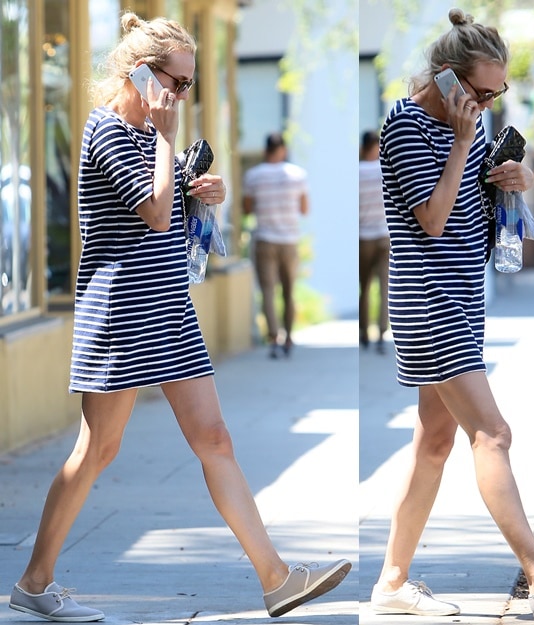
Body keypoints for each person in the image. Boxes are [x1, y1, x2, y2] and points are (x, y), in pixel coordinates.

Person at [9, 14, 350, 622]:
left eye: (189, 85)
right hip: (119, 312)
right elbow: (155, 213)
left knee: (215, 439)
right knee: (97, 450)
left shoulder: (145, 136)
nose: (182, 96)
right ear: (139, 72)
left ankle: (275, 578)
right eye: (178, 82)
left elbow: (169, 206)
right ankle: (35, 581)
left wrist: (200, 190)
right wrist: (170, 148)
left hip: (168, 310)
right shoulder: (109, 132)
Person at [371, 8, 534, 621]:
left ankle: (392, 585)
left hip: (462, 297)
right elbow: (430, 220)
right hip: (426, 300)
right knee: (494, 434)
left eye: (496, 92)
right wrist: (462, 144)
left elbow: (471, 208)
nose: (486, 103)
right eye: (480, 92)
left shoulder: (473, 126)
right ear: (448, 77)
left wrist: (511, 178)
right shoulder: (404, 125)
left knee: (433, 443)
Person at [243, 133, 308, 359]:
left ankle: (273, 338)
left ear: (266, 150)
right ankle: (289, 337)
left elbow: (247, 208)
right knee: (289, 292)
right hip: (289, 241)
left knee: (268, 291)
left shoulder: (253, 176)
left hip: (265, 240)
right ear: (282, 150)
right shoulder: (297, 174)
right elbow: (304, 208)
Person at [359, 130, 389, 354]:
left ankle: (363, 333)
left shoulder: (357, 173)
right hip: (386, 235)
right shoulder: (384, 170)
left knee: (365, 287)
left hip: (364, 236)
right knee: (385, 288)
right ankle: (381, 333)